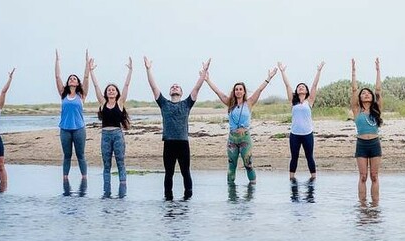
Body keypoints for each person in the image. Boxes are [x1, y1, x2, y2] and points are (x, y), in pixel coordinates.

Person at [145, 56, 210, 200]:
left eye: (177, 87)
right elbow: (153, 86)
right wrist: (148, 69)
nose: (175, 87)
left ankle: (188, 200)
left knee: (185, 172)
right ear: (170, 92)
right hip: (168, 143)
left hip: (183, 143)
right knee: (169, 173)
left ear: (181, 92)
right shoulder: (164, 103)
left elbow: (197, 87)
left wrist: (205, 71)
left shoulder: (187, 103)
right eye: (172, 86)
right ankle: (168, 200)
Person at [205, 65, 278, 185]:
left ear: (244, 91)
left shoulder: (249, 103)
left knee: (248, 164)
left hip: (245, 138)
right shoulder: (229, 103)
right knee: (231, 165)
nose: (238, 91)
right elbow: (218, 92)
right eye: (236, 89)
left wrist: (269, 78)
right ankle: (231, 196)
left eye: (240, 89)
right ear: (234, 92)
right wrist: (207, 80)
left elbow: (259, 90)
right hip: (232, 139)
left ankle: (251, 192)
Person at [88, 56, 133, 197]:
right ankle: (106, 191)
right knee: (106, 165)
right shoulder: (102, 102)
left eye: (113, 90)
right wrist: (91, 72)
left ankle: (122, 191)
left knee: (120, 162)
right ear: (106, 93)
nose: (111, 91)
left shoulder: (120, 103)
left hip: (118, 135)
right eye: (109, 90)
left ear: (116, 93)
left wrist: (130, 71)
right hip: (105, 136)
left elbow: (126, 86)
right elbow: (96, 86)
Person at [277, 60, 325, 181]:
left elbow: (314, 85)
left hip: (307, 134)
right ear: (297, 91)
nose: (300, 88)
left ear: (306, 90)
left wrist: (319, 71)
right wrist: (282, 72)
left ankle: (313, 179)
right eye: (299, 87)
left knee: (310, 157)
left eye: (303, 86)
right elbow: (287, 86)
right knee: (294, 157)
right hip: (295, 135)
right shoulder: (293, 101)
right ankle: (292, 179)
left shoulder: (310, 101)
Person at [55, 49, 91, 181]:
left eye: (74, 78)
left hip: (79, 129)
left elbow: (86, 78)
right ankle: (65, 179)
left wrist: (87, 63)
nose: (72, 79)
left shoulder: (81, 96)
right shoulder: (63, 95)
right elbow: (57, 77)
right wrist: (57, 60)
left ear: (77, 83)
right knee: (67, 155)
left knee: (81, 155)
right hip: (65, 129)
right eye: (70, 78)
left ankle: (84, 178)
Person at [351, 57, 382, 204]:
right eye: (363, 93)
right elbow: (354, 89)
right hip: (361, 144)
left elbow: (378, 90)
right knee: (363, 176)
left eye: (368, 93)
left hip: (374, 143)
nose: (366, 94)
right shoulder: (357, 110)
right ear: (360, 97)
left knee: (374, 176)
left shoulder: (377, 109)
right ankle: (362, 205)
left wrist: (377, 70)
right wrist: (354, 72)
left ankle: (375, 204)